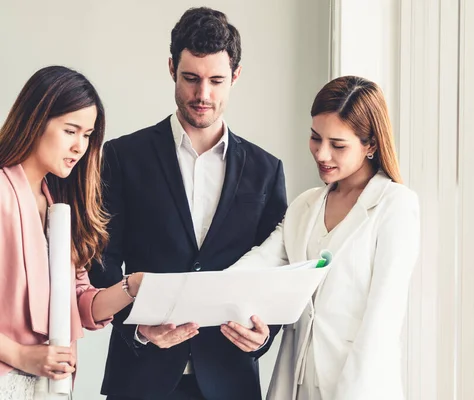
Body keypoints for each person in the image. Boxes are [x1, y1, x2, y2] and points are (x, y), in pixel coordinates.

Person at [88, 6, 287, 400]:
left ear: (236, 75)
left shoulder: (267, 169)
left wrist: (263, 335)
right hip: (140, 377)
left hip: (230, 379)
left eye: (216, 80)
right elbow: (102, 259)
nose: (203, 95)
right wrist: (137, 326)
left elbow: (277, 266)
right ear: (170, 69)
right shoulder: (123, 156)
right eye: (191, 78)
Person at [223, 76, 420, 399]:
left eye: (338, 145)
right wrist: (194, 295)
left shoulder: (395, 205)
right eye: (316, 138)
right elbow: (259, 263)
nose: (322, 154)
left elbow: (382, 319)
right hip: (296, 382)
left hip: (357, 385)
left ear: (370, 145)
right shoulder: (306, 205)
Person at [0, 66, 144, 400]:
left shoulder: (60, 207)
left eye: (88, 134)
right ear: (35, 121)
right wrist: (21, 355)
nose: (80, 146)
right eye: (70, 130)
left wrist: (134, 286)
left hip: (48, 387)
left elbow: (80, 302)